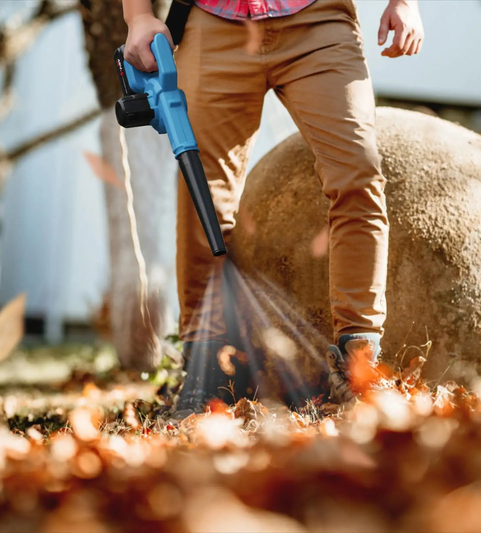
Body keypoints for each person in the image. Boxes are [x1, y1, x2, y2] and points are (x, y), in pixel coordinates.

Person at [122, 0, 424, 415]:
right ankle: (206, 372)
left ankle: (360, 366)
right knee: (202, 198)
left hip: (317, 21)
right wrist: (137, 16)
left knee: (357, 176)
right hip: (213, 22)